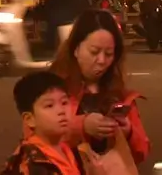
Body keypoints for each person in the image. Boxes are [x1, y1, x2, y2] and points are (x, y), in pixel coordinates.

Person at [49, 9, 150, 168]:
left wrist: (128, 132)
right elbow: (37, 139)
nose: (102, 60)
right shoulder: (52, 88)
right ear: (76, 49)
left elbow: (141, 152)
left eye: (109, 53)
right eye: (94, 52)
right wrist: (81, 126)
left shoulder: (120, 94)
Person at [0, 70, 81, 175]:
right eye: (49, 105)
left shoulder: (70, 150)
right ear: (30, 119)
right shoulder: (28, 161)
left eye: (64, 102)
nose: (61, 111)